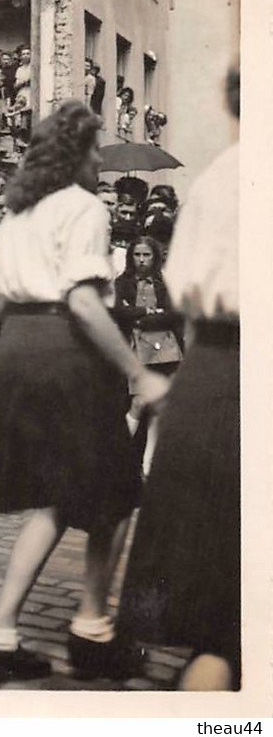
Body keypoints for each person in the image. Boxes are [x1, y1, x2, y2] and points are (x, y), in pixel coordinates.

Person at [0, 101, 168, 685]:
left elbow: (1, 301)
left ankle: (1, 637)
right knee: (111, 495)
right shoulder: (83, 207)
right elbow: (83, 301)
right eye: (95, 149)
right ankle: (91, 631)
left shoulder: (18, 213)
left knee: (58, 498)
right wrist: (138, 371)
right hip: (65, 355)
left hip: (19, 350)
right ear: (80, 153)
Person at [117, 66, 241, 691]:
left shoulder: (219, 178)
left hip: (213, 375)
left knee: (219, 622)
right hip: (239, 373)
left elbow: (187, 294)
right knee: (232, 617)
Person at [113, 236, 183, 477]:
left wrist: (142, 319)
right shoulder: (122, 283)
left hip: (166, 349)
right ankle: (119, 457)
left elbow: (172, 315)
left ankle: (149, 463)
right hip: (137, 348)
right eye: (137, 255)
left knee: (159, 405)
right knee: (138, 402)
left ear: (155, 257)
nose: (142, 260)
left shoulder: (165, 284)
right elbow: (119, 311)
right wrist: (146, 311)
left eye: (147, 255)